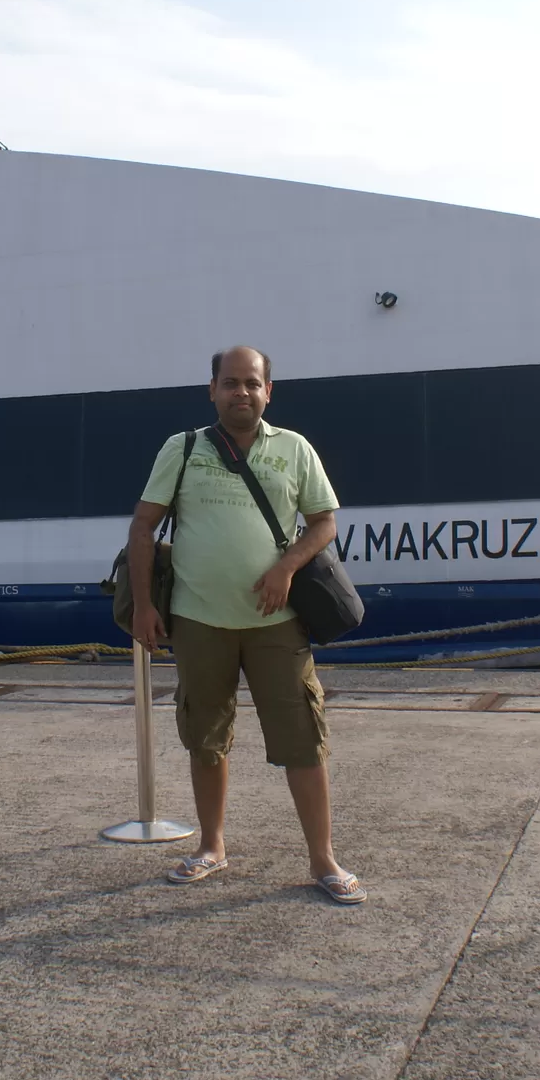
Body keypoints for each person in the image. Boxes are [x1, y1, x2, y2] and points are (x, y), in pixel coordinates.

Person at [126, 345, 364, 904]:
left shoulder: (295, 449)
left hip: (276, 623)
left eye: (252, 384)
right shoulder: (182, 449)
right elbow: (143, 528)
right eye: (231, 383)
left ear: (268, 392)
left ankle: (323, 860)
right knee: (206, 737)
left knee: (303, 738)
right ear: (212, 389)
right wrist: (143, 606)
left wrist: (286, 567)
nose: (242, 393)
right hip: (199, 619)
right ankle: (212, 846)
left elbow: (324, 524)